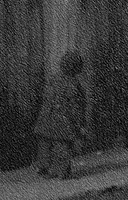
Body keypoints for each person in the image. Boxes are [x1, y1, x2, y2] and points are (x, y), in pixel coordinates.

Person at [33, 50, 90, 180]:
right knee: (62, 145)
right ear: (76, 68)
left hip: (46, 117)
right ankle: (63, 172)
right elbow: (76, 106)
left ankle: (43, 167)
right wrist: (80, 124)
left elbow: (46, 96)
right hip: (63, 120)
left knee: (45, 143)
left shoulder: (53, 78)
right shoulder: (73, 84)